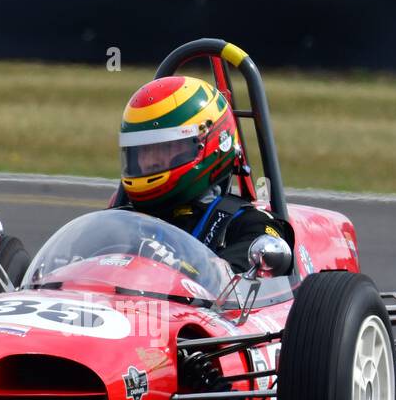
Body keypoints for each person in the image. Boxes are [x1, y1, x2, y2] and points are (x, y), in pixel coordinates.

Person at [117, 74, 286, 273]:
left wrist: (179, 268)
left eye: (166, 148)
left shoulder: (249, 224)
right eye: (143, 150)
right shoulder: (120, 222)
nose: (151, 161)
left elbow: (231, 282)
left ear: (210, 145)